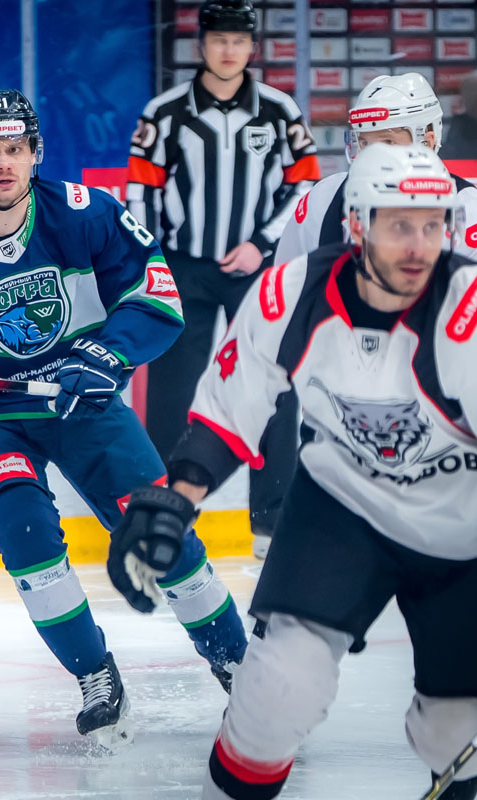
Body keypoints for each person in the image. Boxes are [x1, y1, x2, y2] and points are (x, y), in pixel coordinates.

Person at [107, 143, 477, 799]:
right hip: (346, 506)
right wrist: (176, 500)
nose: (419, 246)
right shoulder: (291, 295)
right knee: (274, 695)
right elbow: (229, 414)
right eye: (398, 225)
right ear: (355, 225)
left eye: (432, 224)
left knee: (461, 737)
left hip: (476, 532)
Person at [0, 89, 248, 748]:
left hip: (78, 400)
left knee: (160, 533)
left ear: (36, 153)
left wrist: (107, 354)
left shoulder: (87, 214)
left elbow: (157, 296)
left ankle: (238, 665)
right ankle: (95, 675)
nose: (4, 163)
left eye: (16, 149)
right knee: (24, 531)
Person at [126, 0, 320, 561]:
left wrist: (261, 243)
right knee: (171, 393)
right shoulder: (164, 113)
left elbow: (305, 184)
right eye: (219, 39)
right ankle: (166, 516)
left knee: (273, 386)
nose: (229, 50)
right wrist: (152, 258)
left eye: (239, 40)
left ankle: (272, 521)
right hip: (183, 268)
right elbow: (141, 191)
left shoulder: (280, 112)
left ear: (252, 47)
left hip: (255, 270)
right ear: (202, 45)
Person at [276, 73, 477, 287]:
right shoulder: (323, 200)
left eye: (388, 142)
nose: (372, 157)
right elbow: (285, 293)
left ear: (428, 141)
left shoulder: (476, 217)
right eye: (364, 143)